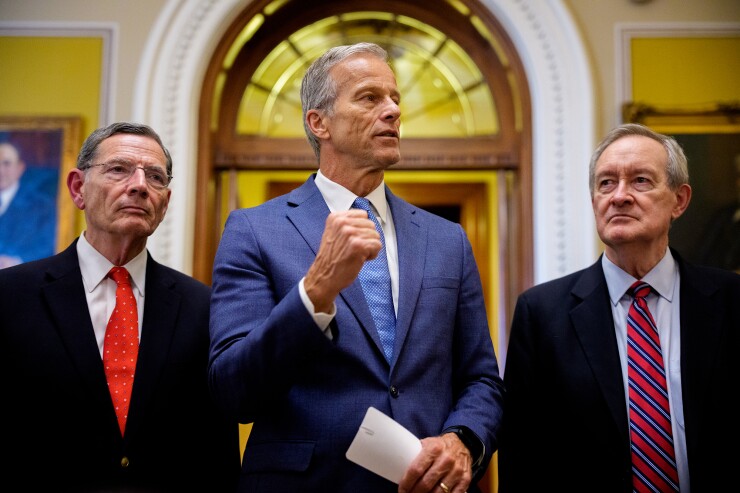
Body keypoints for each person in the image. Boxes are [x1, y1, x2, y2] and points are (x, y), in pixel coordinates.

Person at [208, 42, 504, 493]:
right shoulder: (254, 229)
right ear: (318, 122)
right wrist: (315, 291)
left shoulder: (448, 240)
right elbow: (234, 389)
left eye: (395, 99)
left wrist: (462, 441)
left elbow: (481, 377)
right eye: (370, 98)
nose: (392, 111)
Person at [498, 123, 740, 492]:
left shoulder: (731, 300)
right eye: (606, 183)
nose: (619, 196)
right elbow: (524, 459)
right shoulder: (542, 314)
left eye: (640, 180)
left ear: (680, 200)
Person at [0, 122, 240, 492]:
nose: (140, 185)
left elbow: (216, 449)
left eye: (155, 177)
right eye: (118, 169)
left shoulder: (203, 306)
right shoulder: (11, 295)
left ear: (165, 203)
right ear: (78, 189)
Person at [0, 141, 57, 268]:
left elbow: (48, 246)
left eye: (6, 163)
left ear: (19, 168)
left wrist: (16, 261)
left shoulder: (41, 205)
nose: (1, 170)